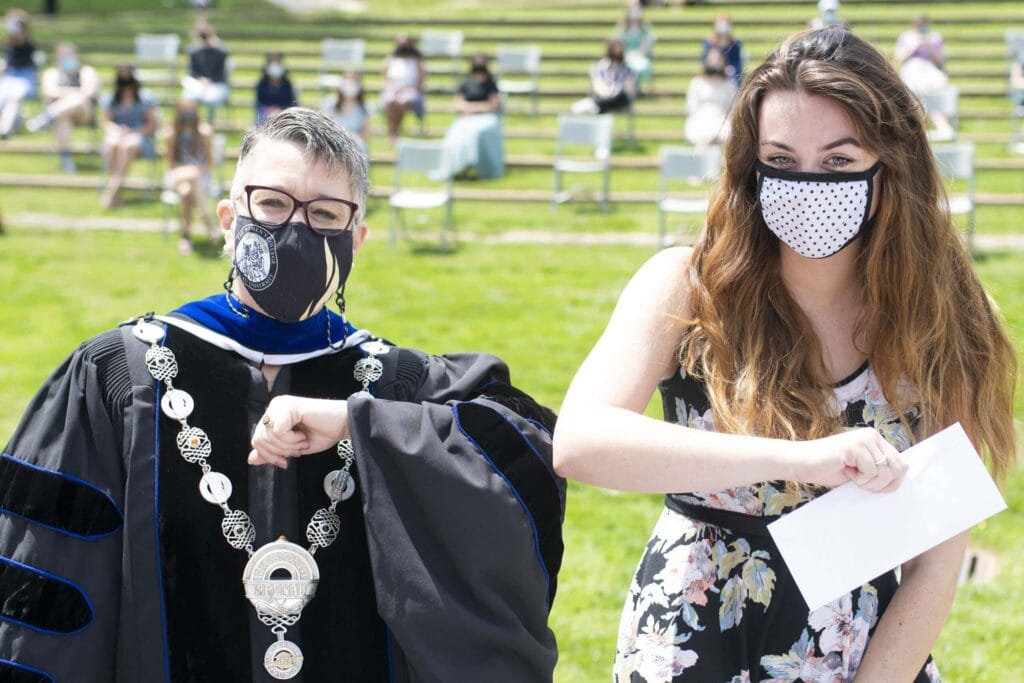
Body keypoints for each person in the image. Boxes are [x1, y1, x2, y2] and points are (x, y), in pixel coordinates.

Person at [0, 107, 564, 682]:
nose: (296, 229)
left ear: (357, 239)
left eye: (324, 214)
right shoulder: (123, 372)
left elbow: (532, 448)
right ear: (228, 218)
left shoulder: (398, 384)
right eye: (271, 204)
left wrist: (359, 422)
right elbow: (44, 576)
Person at [554, 28, 1016, 683]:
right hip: (690, 639)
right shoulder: (687, 287)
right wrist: (801, 457)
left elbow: (938, 559)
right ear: (751, 166)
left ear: (892, 165)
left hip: (861, 653)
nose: (807, 185)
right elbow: (580, 440)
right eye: (781, 158)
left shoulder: (947, 316)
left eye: (837, 162)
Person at [25, 42, 100, 173]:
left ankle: (46, 118)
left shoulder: (87, 71)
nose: (67, 58)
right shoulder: (51, 73)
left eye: (70, 54)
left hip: (84, 113)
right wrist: (75, 92)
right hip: (61, 115)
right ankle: (66, 159)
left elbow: (90, 92)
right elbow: (49, 92)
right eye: (64, 55)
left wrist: (66, 93)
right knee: (63, 120)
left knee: (78, 99)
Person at [100, 64, 158, 208]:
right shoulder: (111, 98)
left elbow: (152, 126)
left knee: (129, 145)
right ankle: (116, 192)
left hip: (141, 138)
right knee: (112, 144)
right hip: (118, 136)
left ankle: (111, 192)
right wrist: (118, 130)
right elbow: (106, 122)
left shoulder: (147, 98)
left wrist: (133, 131)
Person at [164, 98, 216, 254]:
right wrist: (189, 171)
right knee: (190, 176)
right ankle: (209, 223)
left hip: (200, 178)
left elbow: (209, 163)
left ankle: (185, 237)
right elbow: (171, 163)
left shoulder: (204, 132)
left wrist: (195, 171)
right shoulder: (171, 133)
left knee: (187, 192)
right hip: (177, 176)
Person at [442, 54, 504, 179]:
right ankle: (459, 166)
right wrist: (479, 107)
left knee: (478, 133)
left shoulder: (491, 83)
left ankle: (483, 168)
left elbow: (493, 105)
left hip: (486, 119)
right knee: (457, 133)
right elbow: (459, 103)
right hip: (466, 118)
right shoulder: (465, 83)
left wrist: (474, 109)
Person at [895, 15, 953, 138]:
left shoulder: (935, 37)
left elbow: (939, 61)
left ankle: (940, 123)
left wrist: (929, 45)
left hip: (929, 69)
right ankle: (922, 124)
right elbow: (899, 58)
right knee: (915, 88)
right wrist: (915, 45)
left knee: (936, 86)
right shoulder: (906, 37)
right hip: (911, 69)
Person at [684, 46, 737, 147]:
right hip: (700, 118)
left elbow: (732, 108)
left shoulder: (729, 85)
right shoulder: (697, 83)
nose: (715, 62)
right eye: (712, 59)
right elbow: (692, 106)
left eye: (718, 59)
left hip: (721, 120)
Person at [181, 18, 230, 122]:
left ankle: (210, 125)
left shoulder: (220, 50)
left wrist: (210, 81)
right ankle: (193, 124)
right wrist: (201, 79)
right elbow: (192, 71)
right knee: (188, 98)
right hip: (197, 84)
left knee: (211, 100)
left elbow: (221, 73)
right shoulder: (193, 50)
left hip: (216, 84)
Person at [379, 34, 425, 145]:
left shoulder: (417, 60)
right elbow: (384, 77)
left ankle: (395, 130)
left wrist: (409, 88)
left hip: (410, 89)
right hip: (393, 88)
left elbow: (421, 79)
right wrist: (392, 87)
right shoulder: (390, 59)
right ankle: (393, 131)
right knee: (390, 101)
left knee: (403, 102)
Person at [571, 39, 635, 115]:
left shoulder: (628, 69)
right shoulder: (600, 66)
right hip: (603, 95)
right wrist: (607, 93)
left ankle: (594, 106)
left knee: (621, 97)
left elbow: (629, 88)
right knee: (603, 100)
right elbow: (597, 85)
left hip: (620, 98)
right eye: (615, 48)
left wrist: (614, 94)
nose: (617, 51)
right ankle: (596, 106)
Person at [0, 9, 38, 138]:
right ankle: (15, 121)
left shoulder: (29, 45)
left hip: (24, 79)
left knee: (13, 98)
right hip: (9, 78)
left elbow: (22, 41)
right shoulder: (8, 45)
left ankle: (5, 129)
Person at [323, 72, 370, 153]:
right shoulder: (331, 103)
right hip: (335, 140)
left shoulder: (364, 108)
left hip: (356, 143)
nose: (349, 85)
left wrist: (354, 138)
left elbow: (367, 132)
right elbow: (325, 126)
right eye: (347, 81)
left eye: (353, 82)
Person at [617, 4, 656, 95]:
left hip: (642, 56)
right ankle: (631, 90)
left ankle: (637, 89)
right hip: (626, 56)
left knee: (642, 67)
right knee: (629, 67)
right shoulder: (622, 29)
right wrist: (626, 54)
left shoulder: (645, 29)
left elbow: (650, 41)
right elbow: (618, 42)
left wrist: (639, 52)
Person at [701, 13, 743, 86]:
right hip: (712, 74)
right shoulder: (708, 43)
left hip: (730, 76)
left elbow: (738, 63)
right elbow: (704, 61)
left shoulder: (735, 44)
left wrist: (729, 70)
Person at [255, 51, 297, 124]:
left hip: (284, 113)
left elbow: (291, 103)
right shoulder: (261, 84)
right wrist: (269, 110)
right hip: (265, 114)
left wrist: (280, 110)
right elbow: (259, 103)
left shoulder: (287, 85)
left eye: (277, 62)